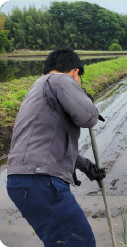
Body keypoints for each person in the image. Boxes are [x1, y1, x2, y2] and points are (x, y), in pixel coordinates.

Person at [6, 46, 106, 247]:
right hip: (41, 181)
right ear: (75, 72)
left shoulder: (38, 89)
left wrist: (87, 167)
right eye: (78, 81)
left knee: (61, 242)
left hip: (25, 180)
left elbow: (49, 143)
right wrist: (86, 100)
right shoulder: (60, 79)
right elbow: (88, 118)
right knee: (78, 242)